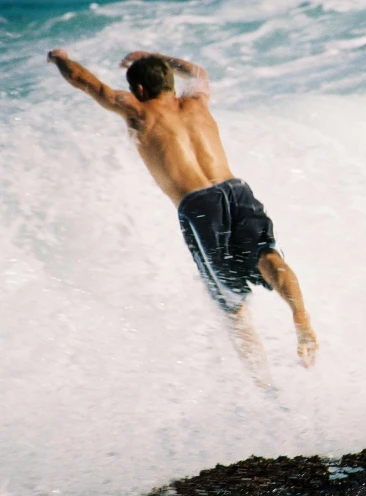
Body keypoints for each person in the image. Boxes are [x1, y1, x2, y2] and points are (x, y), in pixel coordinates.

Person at [47, 49, 318, 385]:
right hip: (236, 189)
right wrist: (156, 57)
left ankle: (267, 389)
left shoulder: (138, 110)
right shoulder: (197, 103)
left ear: (140, 91)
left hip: (198, 205)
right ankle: (301, 317)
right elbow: (199, 72)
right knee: (267, 254)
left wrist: (58, 57)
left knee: (233, 309)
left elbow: (85, 82)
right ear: (170, 83)